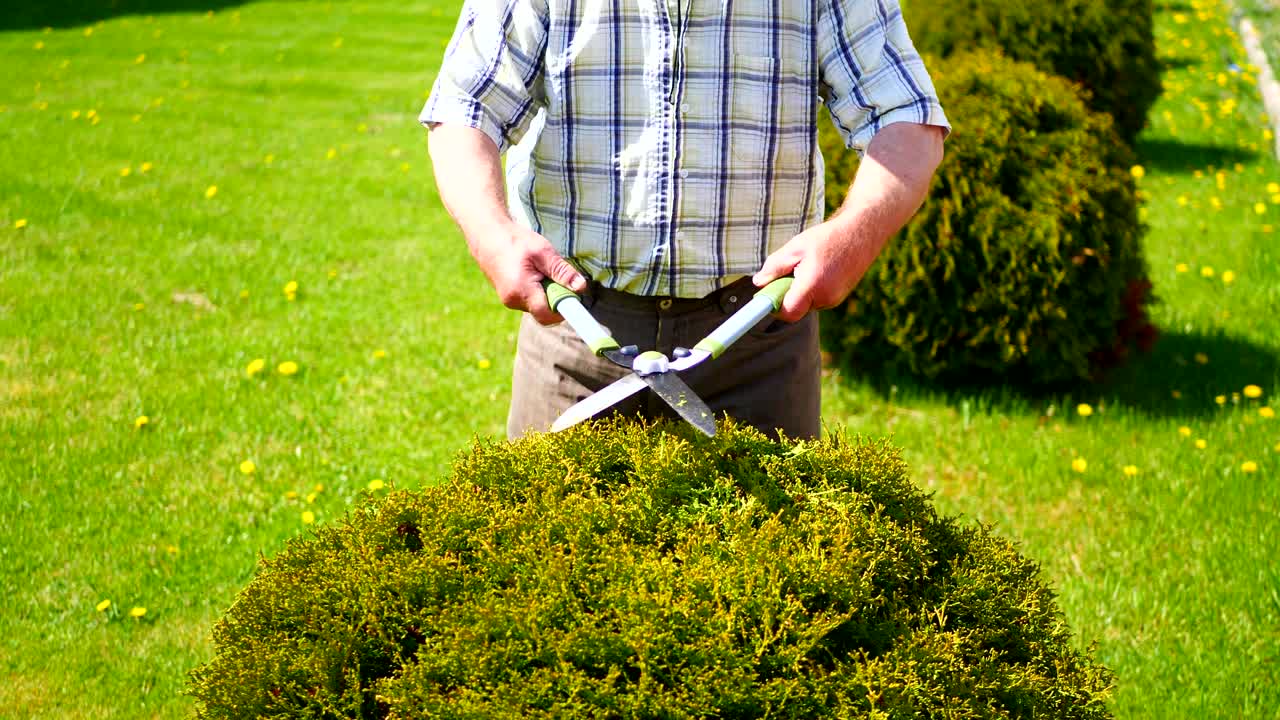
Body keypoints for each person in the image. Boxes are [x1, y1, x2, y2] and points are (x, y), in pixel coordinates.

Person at [422, 0, 949, 440]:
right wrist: (493, 237)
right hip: (576, 342)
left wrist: (852, 237)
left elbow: (906, 118)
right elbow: (466, 107)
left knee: (771, 564)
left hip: (758, 350)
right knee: (543, 557)